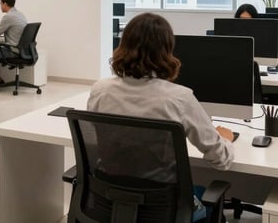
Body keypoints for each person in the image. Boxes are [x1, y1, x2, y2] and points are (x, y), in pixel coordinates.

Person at [89, 12, 234, 167]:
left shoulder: (100, 90)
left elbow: (100, 137)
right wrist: (225, 140)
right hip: (163, 191)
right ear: (167, 51)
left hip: (107, 189)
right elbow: (220, 159)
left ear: (123, 46)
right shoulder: (180, 99)